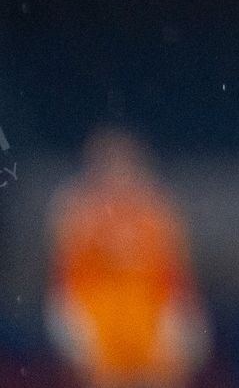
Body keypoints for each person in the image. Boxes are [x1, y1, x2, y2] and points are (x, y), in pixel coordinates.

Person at [46, 129, 209, 388]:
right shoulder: (76, 210)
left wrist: (182, 319)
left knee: (167, 360)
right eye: (109, 167)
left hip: (149, 310)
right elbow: (65, 277)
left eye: (124, 167)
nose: (118, 176)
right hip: (97, 309)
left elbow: (177, 275)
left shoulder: (158, 210)